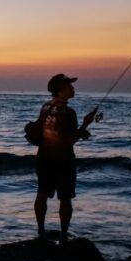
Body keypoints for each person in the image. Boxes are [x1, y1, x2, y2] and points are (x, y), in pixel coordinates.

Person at [34, 73, 96, 244]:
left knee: (42, 193)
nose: (73, 88)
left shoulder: (46, 107)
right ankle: (63, 236)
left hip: (44, 156)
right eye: (70, 85)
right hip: (63, 159)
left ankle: (41, 232)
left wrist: (81, 132)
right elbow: (69, 141)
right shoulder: (68, 112)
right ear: (61, 89)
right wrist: (85, 124)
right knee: (65, 198)